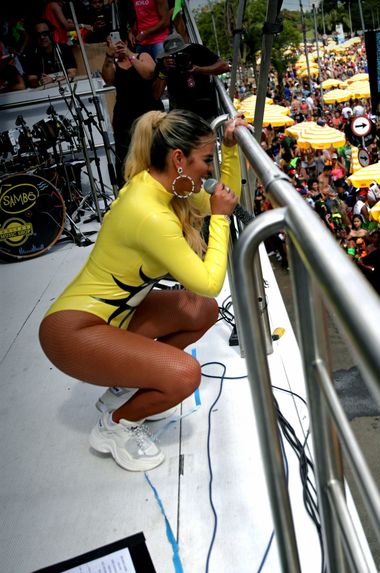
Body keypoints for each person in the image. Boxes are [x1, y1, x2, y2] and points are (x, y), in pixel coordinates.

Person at [38, 110, 244, 471]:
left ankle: (128, 383)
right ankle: (116, 426)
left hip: (115, 318)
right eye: (207, 160)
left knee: (204, 310)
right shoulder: (151, 214)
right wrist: (222, 219)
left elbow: (225, 196)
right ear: (179, 158)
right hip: (71, 333)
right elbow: (210, 280)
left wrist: (229, 150)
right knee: (185, 374)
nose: (209, 171)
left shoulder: (163, 185)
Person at [102, 34, 163, 186]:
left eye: (119, 41)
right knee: (128, 159)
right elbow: (108, 79)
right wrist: (109, 56)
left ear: (127, 41)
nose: (117, 44)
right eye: (112, 42)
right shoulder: (113, 64)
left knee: (156, 154)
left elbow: (149, 73)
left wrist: (129, 54)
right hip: (125, 118)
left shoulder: (142, 56)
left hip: (149, 114)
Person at [153, 33, 230, 122]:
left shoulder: (196, 51)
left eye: (180, 52)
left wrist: (200, 70)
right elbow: (156, 95)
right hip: (180, 116)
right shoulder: (163, 63)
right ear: (166, 55)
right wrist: (163, 71)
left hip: (204, 110)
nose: (177, 57)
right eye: (173, 55)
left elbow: (225, 67)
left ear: (186, 48)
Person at [22, 19, 77, 88]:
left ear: (52, 33)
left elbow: (72, 73)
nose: (42, 37)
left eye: (45, 34)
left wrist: (53, 79)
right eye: (38, 35)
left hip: (66, 87)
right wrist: (40, 82)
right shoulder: (32, 55)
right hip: (44, 91)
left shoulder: (64, 48)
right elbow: (31, 80)